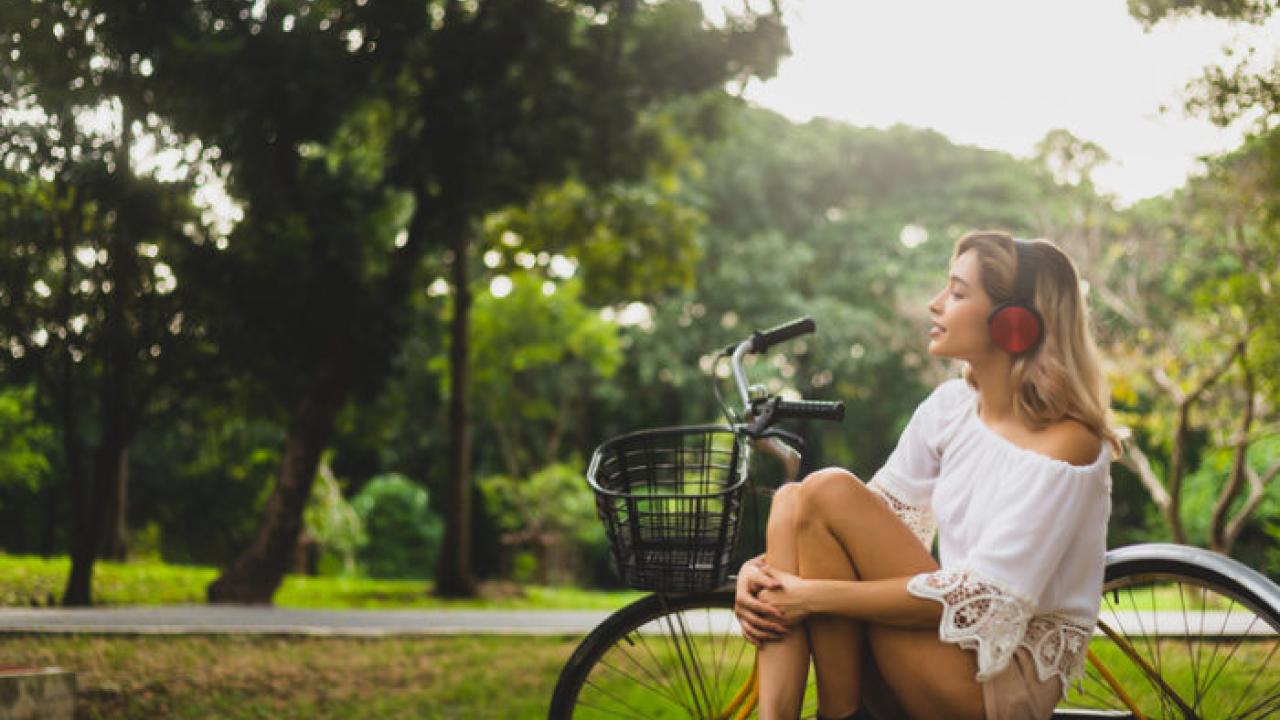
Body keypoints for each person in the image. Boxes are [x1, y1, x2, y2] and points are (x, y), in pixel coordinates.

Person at [733, 230, 1122, 720]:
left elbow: (984, 599)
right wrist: (761, 572)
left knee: (826, 489)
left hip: (991, 683)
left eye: (958, 293)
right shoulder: (951, 408)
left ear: (1014, 324)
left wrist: (808, 597)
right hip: (936, 647)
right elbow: (845, 523)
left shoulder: (1065, 443)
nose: (936, 305)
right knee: (795, 498)